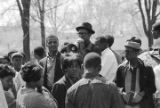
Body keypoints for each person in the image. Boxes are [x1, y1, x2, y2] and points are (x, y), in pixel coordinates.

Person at [115, 37, 156, 108]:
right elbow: (116, 86)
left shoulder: (147, 68)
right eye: (125, 51)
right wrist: (122, 93)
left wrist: (141, 94)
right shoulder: (121, 68)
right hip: (125, 105)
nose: (125, 54)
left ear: (136, 53)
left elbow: (152, 88)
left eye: (128, 51)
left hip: (143, 104)